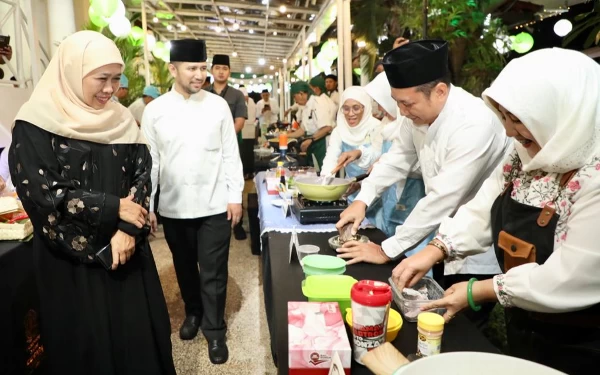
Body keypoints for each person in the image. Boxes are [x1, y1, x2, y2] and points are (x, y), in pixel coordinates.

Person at [393, 48, 600, 375]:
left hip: (584, 343)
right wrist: (437, 249)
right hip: (526, 325)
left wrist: (480, 290)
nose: (508, 132)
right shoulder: (523, 156)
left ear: (563, 113)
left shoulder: (594, 177)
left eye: (518, 120)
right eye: (503, 117)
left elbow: (570, 275)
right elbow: (484, 204)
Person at [8, 30, 175, 375]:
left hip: (127, 254)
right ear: (72, 71)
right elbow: (42, 195)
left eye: (116, 79)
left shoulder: (122, 120)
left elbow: (144, 175)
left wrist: (129, 230)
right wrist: (114, 208)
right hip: (71, 266)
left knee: (138, 343)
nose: (110, 89)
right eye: (101, 78)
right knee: (88, 348)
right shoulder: (35, 124)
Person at [335, 40, 508, 286]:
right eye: (397, 102)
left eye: (407, 103)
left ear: (440, 91)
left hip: (474, 247)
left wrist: (386, 250)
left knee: (460, 319)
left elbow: (443, 197)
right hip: (438, 239)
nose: (402, 112)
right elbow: (396, 159)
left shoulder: (474, 123)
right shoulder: (414, 116)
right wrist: (363, 200)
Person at [142, 38, 244, 365]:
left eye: (202, 67)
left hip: (215, 205)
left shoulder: (217, 106)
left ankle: (215, 331)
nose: (199, 74)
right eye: (192, 68)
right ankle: (193, 313)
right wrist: (151, 204)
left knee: (213, 271)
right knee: (184, 267)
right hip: (173, 207)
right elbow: (152, 161)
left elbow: (231, 154)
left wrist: (235, 196)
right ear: (173, 69)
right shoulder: (155, 111)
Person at [205, 54, 248, 240]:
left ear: (229, 71)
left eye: (225, 68)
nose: (221, 71)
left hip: (231, 147)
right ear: (212, 70)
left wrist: (224, 141)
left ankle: (237, 223)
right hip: (207, 148)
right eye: (217, 68)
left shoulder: (236, 95)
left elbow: (240, 121)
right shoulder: (203, 93)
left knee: (233, 182)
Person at [320, 86, 381, 202]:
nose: (350, 114)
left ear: (365, 108)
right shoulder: (339, 130)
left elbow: (378, 155)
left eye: (356, 108)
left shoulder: (376, 127)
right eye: (346, 109)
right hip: (351, 190)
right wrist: (325, 182)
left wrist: (359, 153)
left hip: (377, 191)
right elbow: (331, 159)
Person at [287, 81, 335, 169]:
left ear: (301, 94)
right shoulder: (306, 106)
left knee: (321, 172)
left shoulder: (317, 103)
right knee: (313, 172)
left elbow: (327, 127)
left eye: (295, 96)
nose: (295, 100)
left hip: (322, 144)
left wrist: (311, 140)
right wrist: (286, 136)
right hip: (312, 143)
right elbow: (303, 130)